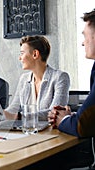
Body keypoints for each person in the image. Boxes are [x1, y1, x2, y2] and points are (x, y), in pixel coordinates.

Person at [48, 9, 95, 137]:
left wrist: (61, 119)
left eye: (85, 36)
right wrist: (71, 117)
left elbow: (82, 126)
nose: (82, 42)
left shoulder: (59, 77)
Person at [4, 35, 70, 121]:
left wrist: (19, 117)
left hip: (50, 133)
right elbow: (13, 109)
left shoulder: (60, 77)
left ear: (35, 54)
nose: (20, 58)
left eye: (22, 53)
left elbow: (54, 113)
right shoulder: (24, 79)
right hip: (26, 131)